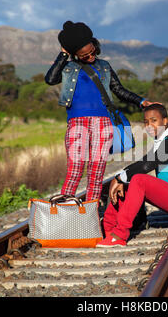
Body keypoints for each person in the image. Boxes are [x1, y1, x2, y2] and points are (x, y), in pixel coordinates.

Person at [45, 21, 158, 201]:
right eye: (84, 55)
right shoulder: (68, 67)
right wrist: (63, 54)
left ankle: (91, 214)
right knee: (75, 168)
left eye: (93, 51)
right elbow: (50, 79)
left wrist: (141, 101)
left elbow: (118, 90)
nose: (90, 56)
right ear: (74, 54)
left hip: (103, 123)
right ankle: (64, 213)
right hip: (77, 123)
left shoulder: (104, 66)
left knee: (96, 172)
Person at [97, 104, 168, 247]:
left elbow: (148, 164)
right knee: (126, 185)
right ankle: (108, 231)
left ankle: (120, 235)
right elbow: (143, 163)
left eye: (154, 120)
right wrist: (122, 179)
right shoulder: (163, 141)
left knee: (138, 179)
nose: (149, 125)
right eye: (146, 122)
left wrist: (119, 177)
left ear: (165, 121)